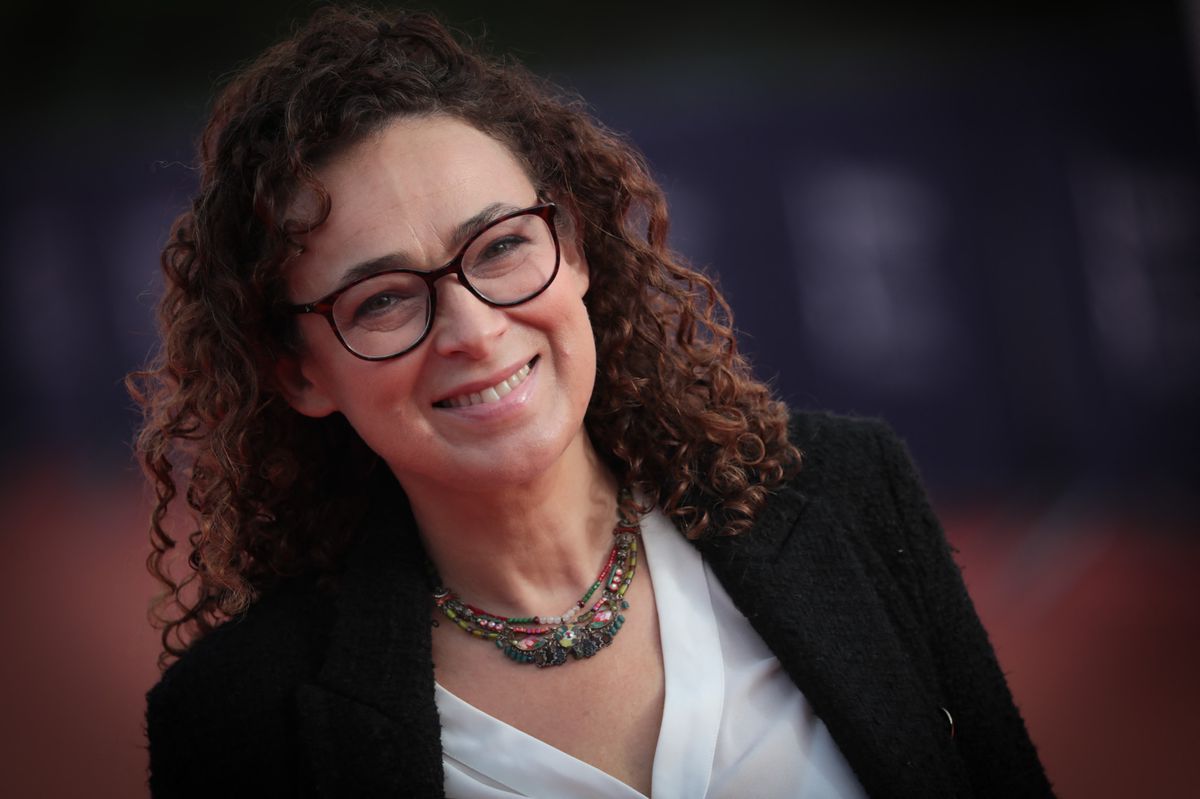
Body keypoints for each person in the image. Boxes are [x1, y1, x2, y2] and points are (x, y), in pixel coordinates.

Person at [131, 6, 1052, 797]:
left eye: (498, 247)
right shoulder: (242, 717)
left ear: (570, 246)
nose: (474, 330)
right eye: (382, 300)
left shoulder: (851, 492)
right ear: (300, 374)